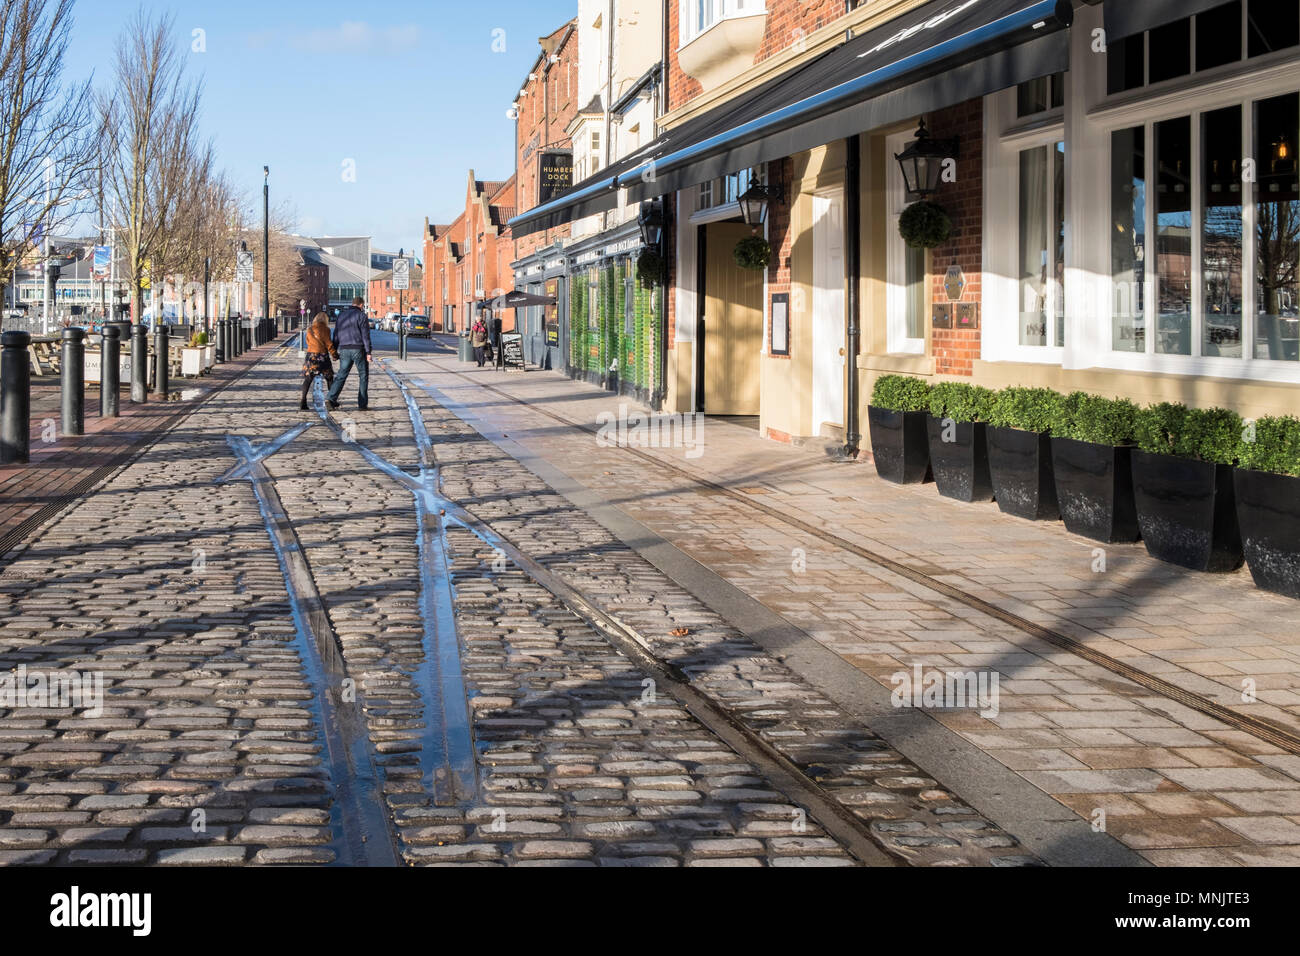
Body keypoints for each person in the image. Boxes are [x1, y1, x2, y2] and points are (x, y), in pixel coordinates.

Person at [326, 296, 373, 410]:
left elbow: (336, 335)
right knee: (363, 376)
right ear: (361, 305)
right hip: (358, 349)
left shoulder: (341, 316)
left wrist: (334, 351)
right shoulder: (362, 316)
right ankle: (362, 404)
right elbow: (365, 336)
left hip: (344, 349)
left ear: (353, 304)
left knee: (342, 375)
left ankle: (331, 398)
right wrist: (368, 352)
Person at [300, 312, 337, 410]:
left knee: (308, 379)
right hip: (322, 356)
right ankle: (331, 400)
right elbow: (329, 344)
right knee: (329, 378)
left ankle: (303, 401)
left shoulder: (310, 329)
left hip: (311, 356)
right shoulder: (326, 329)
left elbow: (307, 341)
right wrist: (334, 354)